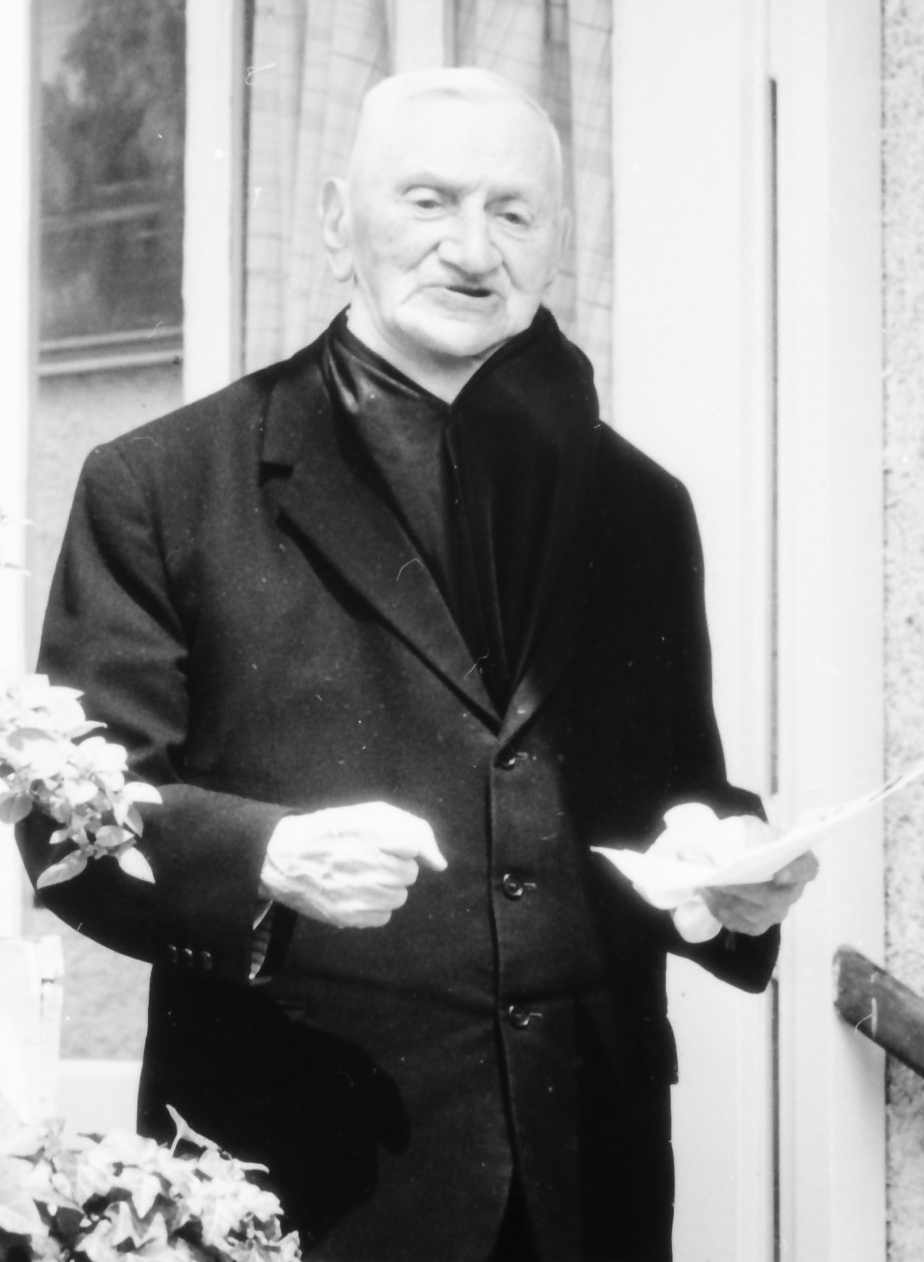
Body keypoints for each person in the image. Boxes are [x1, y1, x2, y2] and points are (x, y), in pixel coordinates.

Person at [19, 69, 817, 1262]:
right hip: (296, 1185)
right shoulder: (161, 485)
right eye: (430, 200)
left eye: (512, 211)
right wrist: (267, 856)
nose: (473, 248)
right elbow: (67, 824)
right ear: (335, 220)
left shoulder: (643, 506)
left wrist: (724, 876)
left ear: (558, 239)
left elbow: (665, 799)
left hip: (585, 1188)